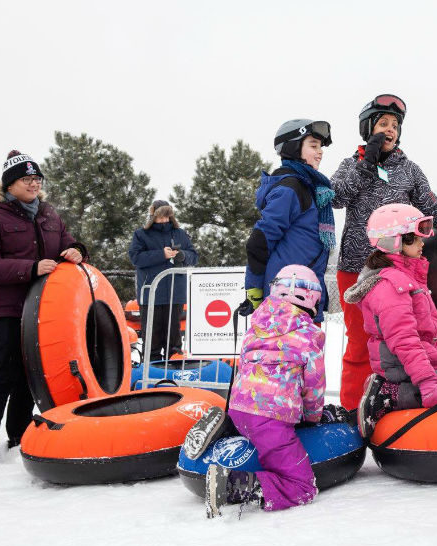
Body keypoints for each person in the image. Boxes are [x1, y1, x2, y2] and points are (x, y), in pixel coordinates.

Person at [331, 94, 437, 410]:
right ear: (367, 128)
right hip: (356, 269)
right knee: (361, 345)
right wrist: (366, 164)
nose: (389, 130)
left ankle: (394, 404)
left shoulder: (409, 170)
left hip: (397, 273)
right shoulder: (351, 165)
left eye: (394, 125)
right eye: (382, 124)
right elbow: (336, 198)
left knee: (403, 342)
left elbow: (433, 208)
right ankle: (352, 410)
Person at [0, 151, 86, 463]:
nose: (33, 184)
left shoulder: (48, 214)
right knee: (4, 373)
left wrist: (76, 251)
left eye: (37, 178)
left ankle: (19, 434)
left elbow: (68, 241)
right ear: (10, 184)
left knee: (30, 373)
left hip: (42, 310)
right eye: (26, 179)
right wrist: (30, 268)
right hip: (3, 307)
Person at [344, 203, 437, 439]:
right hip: (401, 369)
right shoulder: (392, 286)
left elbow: (428, 335)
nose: (422, 243)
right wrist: (428, 383)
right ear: (393, 242)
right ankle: (388, 394)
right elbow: (405, 342)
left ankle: (426, 385)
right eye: (413, 239)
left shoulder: (411, 278)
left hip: (421, 364)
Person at [204, 264, 326, 518]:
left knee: (256, 432)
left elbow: (243, 364)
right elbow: (314, 384)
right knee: (303, 486)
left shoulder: (256, 325)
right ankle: (234, 484)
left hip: (240, 407)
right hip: (270, 418)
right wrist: (313, 417)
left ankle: (226, 430)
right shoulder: (309, 335)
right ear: (313, 296)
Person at [243, 119, 334, 323]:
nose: (320, 152)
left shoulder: (311, 188)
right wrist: (255, 288)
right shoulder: (291, 188)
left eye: (320, 147)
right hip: (286, 299)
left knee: (307, 355)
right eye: (313, 146)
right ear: (293, 147)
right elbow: (260, 241)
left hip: (305, 294)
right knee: (285, 355)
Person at [128, 200, 198, 360]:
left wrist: (183, 256)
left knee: (174, 338)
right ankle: (151, 369)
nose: (164, 220)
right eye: (160, 217)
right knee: (151, 338)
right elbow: (135, 258)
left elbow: (194, 256)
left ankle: (174, 363)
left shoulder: (180, 233)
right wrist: (162, 255)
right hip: (151, 293)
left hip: (176, 293)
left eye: (167, 216)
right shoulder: (141, 235)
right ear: (153, 216)